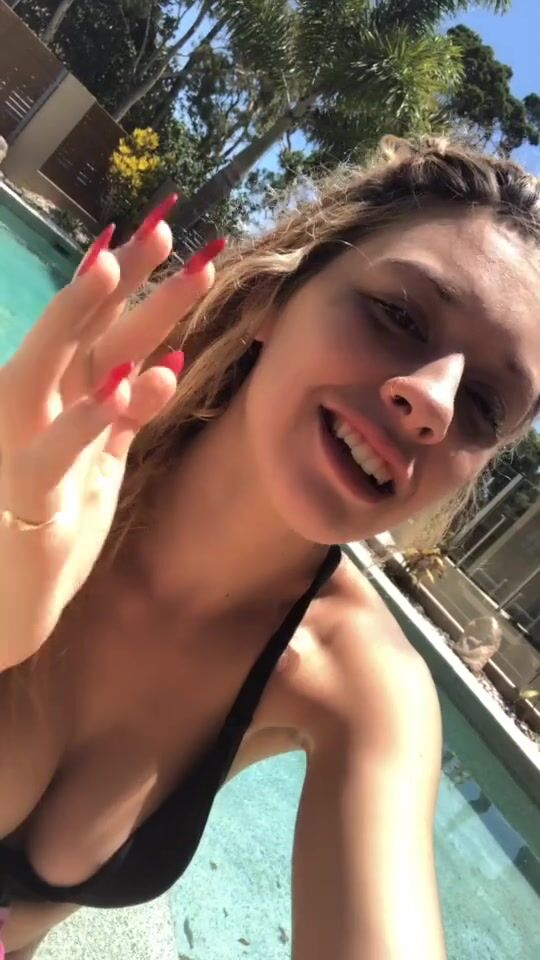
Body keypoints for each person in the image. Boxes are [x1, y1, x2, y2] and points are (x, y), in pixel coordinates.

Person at [0, 135, 539, 960]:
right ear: (274, 299)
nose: (434, 402)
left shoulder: (362, 688)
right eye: (400, 315)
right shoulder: (27, 469)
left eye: (484, 406)